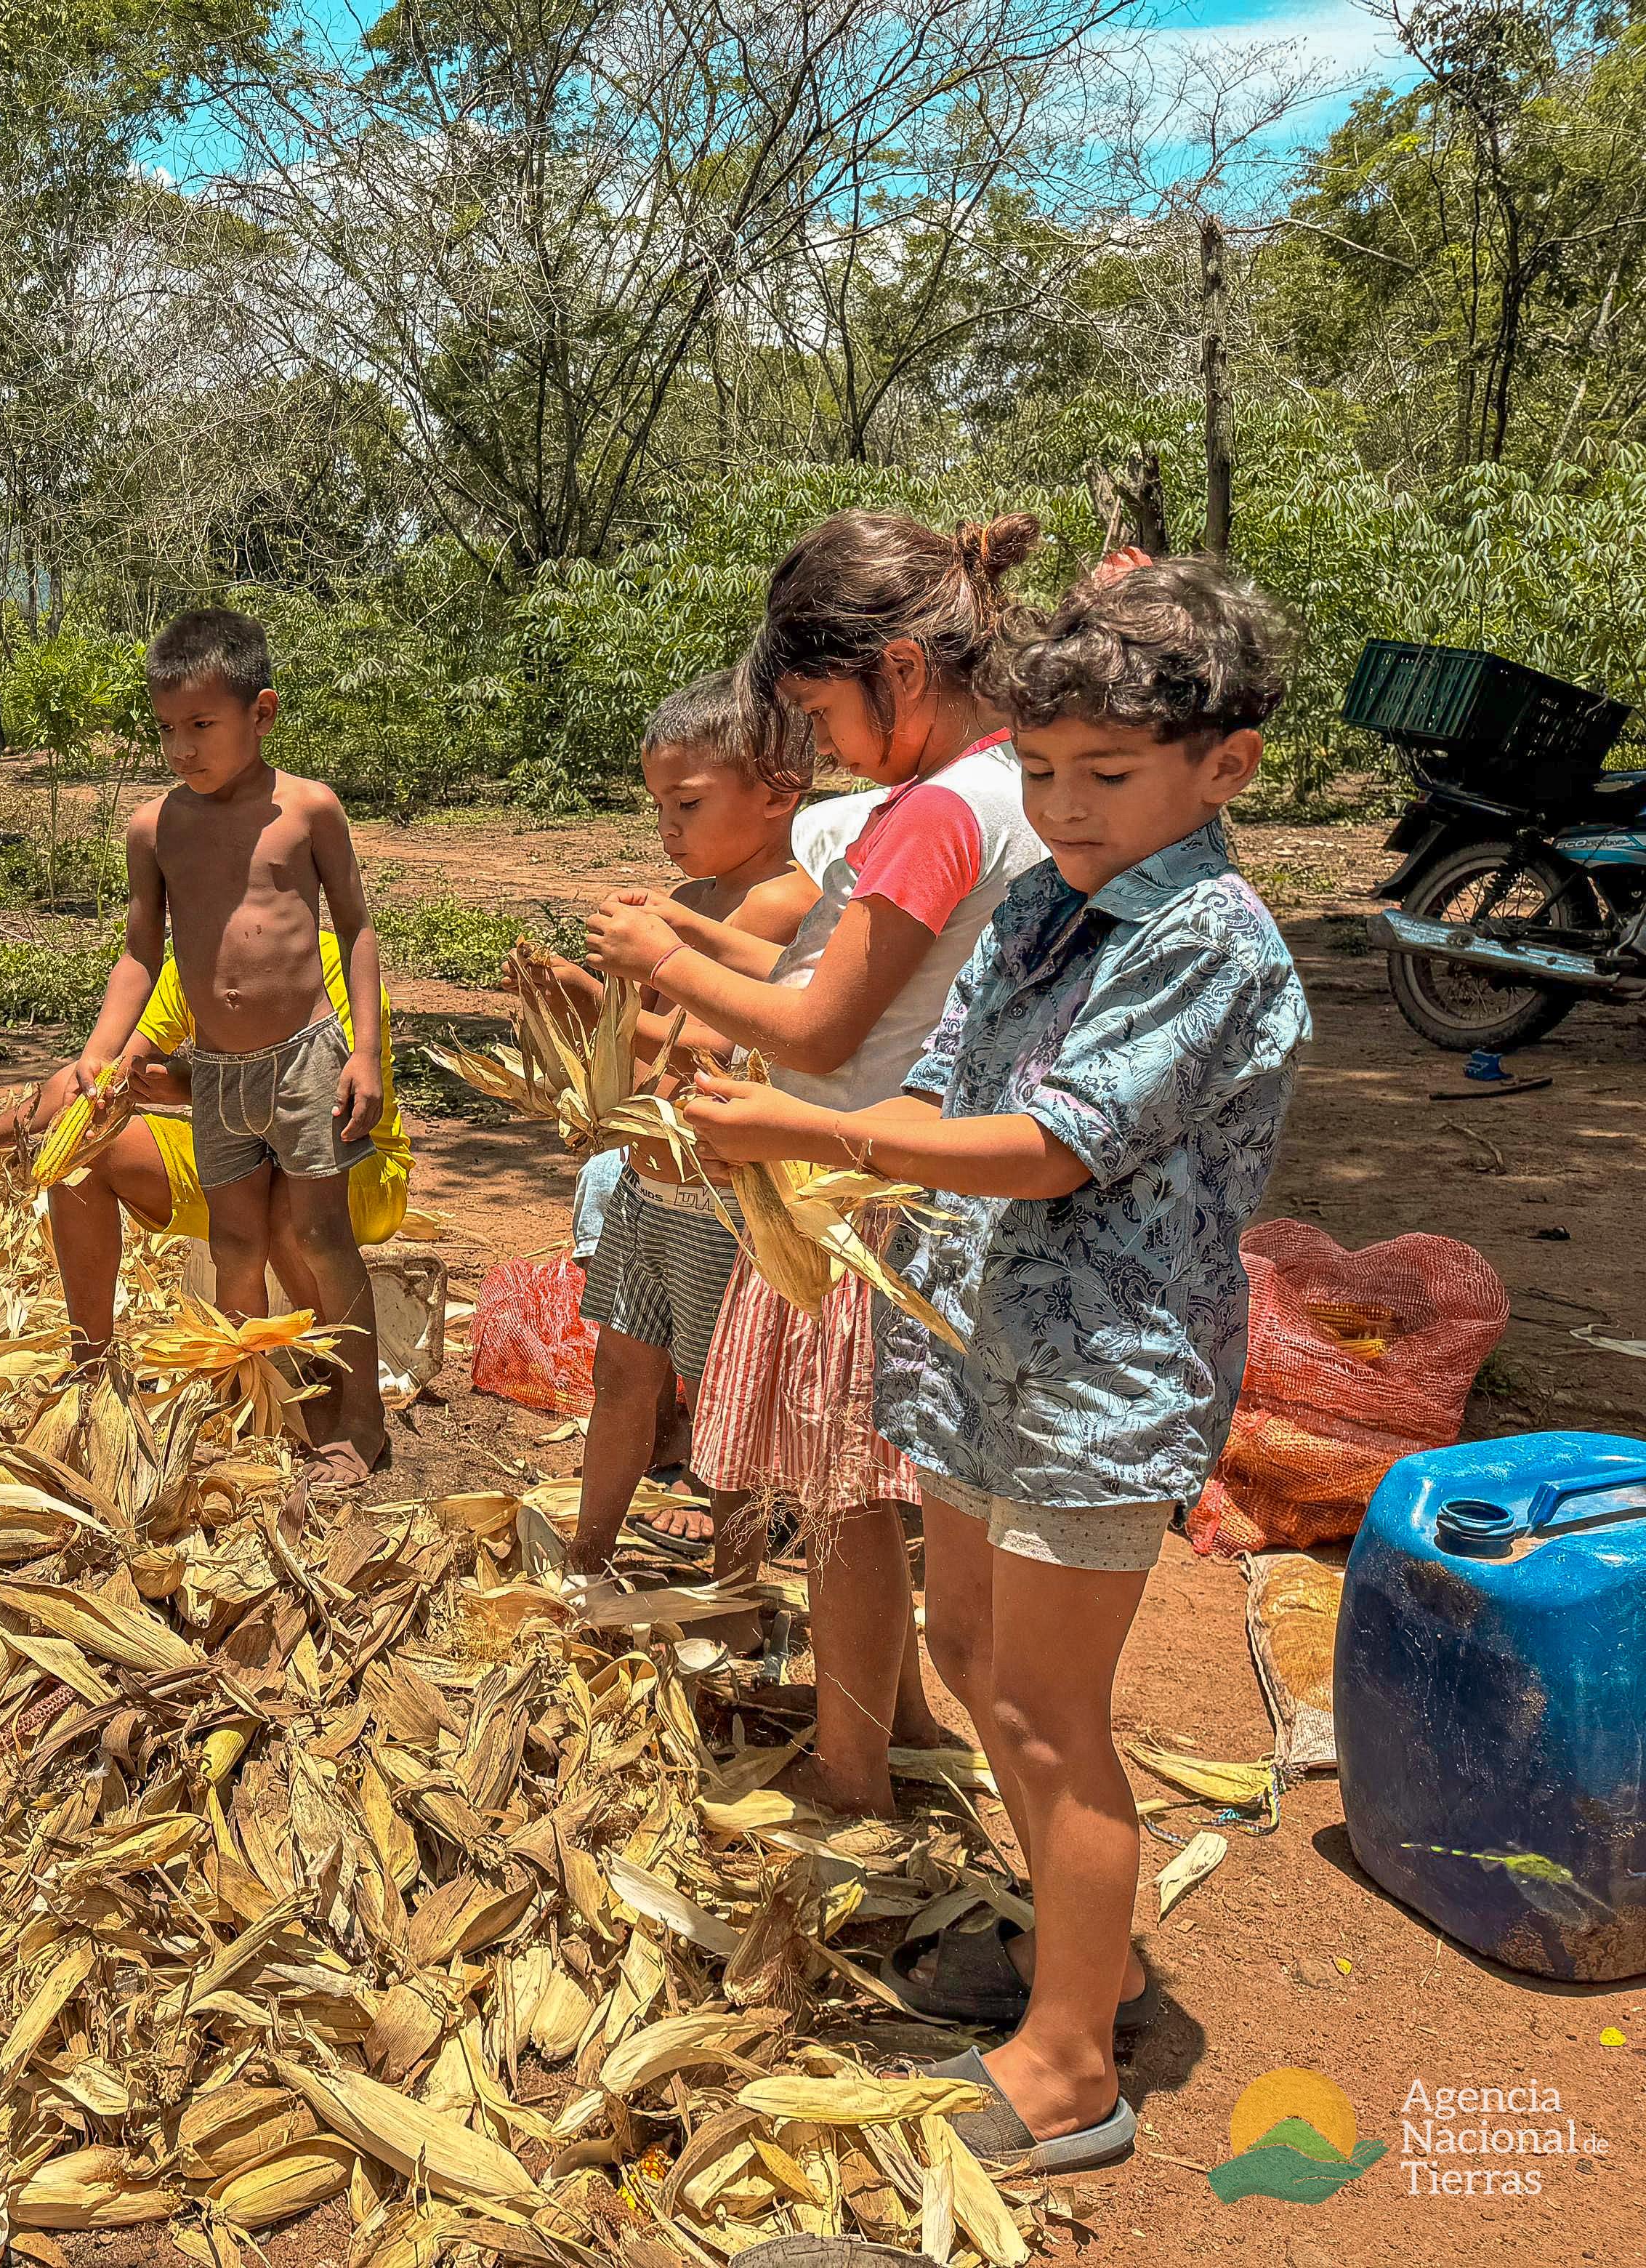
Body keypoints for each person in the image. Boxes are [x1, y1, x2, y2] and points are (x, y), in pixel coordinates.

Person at [685, 557, 1309, 2171]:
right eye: (1039, 774)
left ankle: (1069, 2069)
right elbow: (952, 1082)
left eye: (1105, 777)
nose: (1064, 807)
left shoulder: (1211, 943)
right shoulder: (1044, 901)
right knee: (967, 1649)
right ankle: (1060, 1947)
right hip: (975, 1349)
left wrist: (807, 1125)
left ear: (1224, 767)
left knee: (1043, 1711)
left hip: (1098, 1382)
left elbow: (1039, 1147)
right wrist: (803, 1150)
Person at [587, 511, 1052, 1817]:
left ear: (898, 673)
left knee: (848, 1508)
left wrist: (663, 960)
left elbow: (825, 1023)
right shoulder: (1022, 779)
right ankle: (900, 1720)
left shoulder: (934, 813)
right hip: (934, 1177)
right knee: (891, 1498)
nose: (823, 744)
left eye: (821, 710)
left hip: (861, 1201)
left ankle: (851, 1788)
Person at [68, 606, 390, 1482]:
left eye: (201, 726)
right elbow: (142, 951)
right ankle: (248, 1412)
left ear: (263, 713)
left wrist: (364, 1051)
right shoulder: (153, 828)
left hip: (306, 1057)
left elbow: (355, 927)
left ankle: (358, 1423)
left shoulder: (308, 810)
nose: (182, 748)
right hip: (216, 1072)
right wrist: (103, 1049)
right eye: (166, 729)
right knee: (234, 1245)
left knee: (324, 1239)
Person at [539, 672, 806, 1602]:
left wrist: (593, 999)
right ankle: (588, 1556)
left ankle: (733, 1595)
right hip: (648, 1189)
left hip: (723, 1208)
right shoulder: (685, 898)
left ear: (776, 794)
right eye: (658, 805)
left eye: (687, 803)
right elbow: (642, 1046)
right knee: (622, 1378)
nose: (668, 826)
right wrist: (577, 1005)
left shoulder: (782, 905)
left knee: (726, 1406)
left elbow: (713, 1048)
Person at [0, 936, 410, 1378]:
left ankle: (331, 1374)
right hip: (240, 1156)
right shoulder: (190, 968)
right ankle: (91, 1369)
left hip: (350, 1164)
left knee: (289, 1203)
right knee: (85, 1157)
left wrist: (188, 1084)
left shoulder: (326, 966)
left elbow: (314, 1099)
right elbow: (95, 1077)